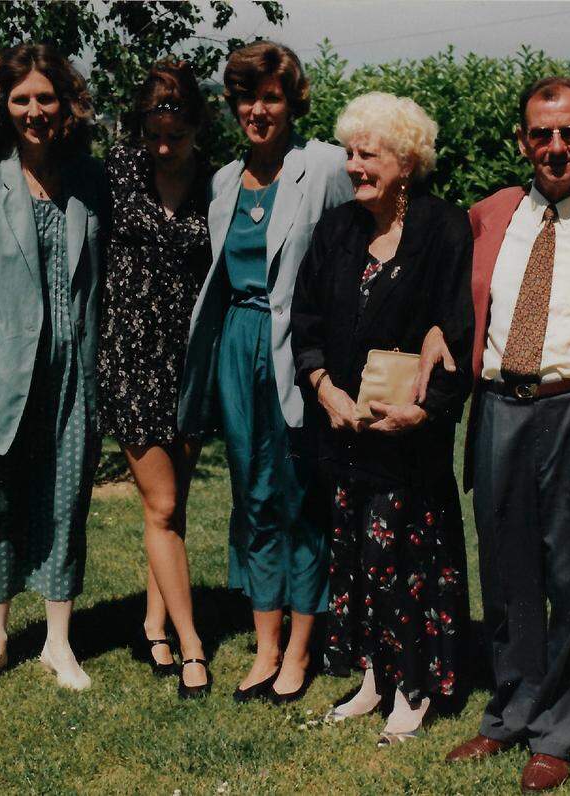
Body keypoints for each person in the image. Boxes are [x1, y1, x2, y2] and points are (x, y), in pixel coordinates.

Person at [438, 76, 570, 792]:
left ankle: (563, 726)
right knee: (507, 572)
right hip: (498, 406)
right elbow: (450, 301)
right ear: (521, 141)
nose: (555, 147)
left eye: (569, 132)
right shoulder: (489, 215)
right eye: (540, 134)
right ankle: (510, 711)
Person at [290, 92, 474, 745]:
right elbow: (303, 325)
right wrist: (324, 390)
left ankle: (413, 687)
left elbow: (456, 331)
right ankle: (372, 678)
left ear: (406, 160)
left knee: (403, 562)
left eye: (368, 154)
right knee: (356, 561)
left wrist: (423, 412)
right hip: (342, 435)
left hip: (407, 442)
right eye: (350, 152)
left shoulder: (445, 230)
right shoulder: (336, 229)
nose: (353, 164)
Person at [179, 41, 352, 703]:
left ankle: (301, 651)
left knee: (301, 499)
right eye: (246, 97)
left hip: (298, 350)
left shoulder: (326, 166)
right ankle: (266, 646)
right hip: (236, 347)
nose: (258, 110)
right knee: (251, 497)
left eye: (271, 97)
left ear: (292, 101)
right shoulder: (223, 181)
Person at [0, 43, 107, 693]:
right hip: (0, 375)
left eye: (46, 97)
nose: (34, 110)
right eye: (21, 99)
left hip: (73, 374)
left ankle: (59, 645)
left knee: (65, 503)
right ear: (2, 106)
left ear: (66, 103)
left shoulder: (89, 180)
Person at [97, 61, 213, 698]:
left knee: (170, 509)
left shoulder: (216, 185)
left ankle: (154, 623)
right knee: (162, 505)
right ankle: (192, 647)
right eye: (153, 134)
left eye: (176, 135)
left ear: (197, 126)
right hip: (131, 358)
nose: (163, 148)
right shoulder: (116, 171)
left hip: (191, 361)